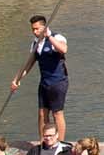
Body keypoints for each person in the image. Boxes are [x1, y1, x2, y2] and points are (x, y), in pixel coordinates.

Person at [11, 14, 70, 142]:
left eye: (37, 29)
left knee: (57, 113)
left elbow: (63, 49)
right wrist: (17, 80)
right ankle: (43, 142)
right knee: (42, 114)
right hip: (44, 83)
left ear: (45, 27)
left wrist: (49, 36)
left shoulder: (57, 37)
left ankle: (60, 144)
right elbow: (28, 64)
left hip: (58, 82)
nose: (35, 32)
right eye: (33, 29)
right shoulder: (35, 44)